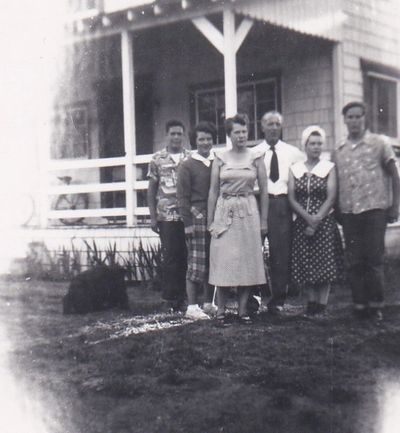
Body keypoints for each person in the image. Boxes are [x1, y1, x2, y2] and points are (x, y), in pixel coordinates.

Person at [333, 101, 399, 321]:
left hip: (374, 211)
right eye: (349, 117)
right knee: (354, 261)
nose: (353, 121)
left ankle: (376, 305)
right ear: (344, 120)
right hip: (350, 213)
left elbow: (394, 175)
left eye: (357, 117)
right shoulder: (339, 150)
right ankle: (359, 305)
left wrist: (395, 205)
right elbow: (336, 184)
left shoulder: (379, 143)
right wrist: (337, 210)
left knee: (373, 260)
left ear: (365, 118)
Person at [208, 114, 269, 324]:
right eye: (237, 132)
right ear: (229, 134)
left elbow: (264, 191)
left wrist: (264, 222)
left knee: (247, 261)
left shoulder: (256, 157)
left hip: (248, 210)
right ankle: (221, 310)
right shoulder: (220, 158)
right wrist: (210, 221)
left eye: (244, 131)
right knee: (223, 260)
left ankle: (243, 311)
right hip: (224, 210)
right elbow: (213, 191)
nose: (241, 135)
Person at [288, 126, 344, 317]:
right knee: (306, 262)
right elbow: (292, 198)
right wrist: (308, 219)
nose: (316, 147)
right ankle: (311, 304)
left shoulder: (328, 167)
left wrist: (317, 220)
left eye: (319, 143)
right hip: (302, 221)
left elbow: (331, 197)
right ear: (305, 145)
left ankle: (322, 305)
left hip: (324, 221)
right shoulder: (295, 169)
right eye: (312, 143)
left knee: (324, 263)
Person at [253, 111, 304, 314]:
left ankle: (277, 300)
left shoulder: (293, 152)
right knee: (253, 252)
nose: (273, 128)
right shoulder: (254, 152)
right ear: (262, 127)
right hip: (257, 203)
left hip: (281, 204)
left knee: (280, 254)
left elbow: (301, 180)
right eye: (269, 124)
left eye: (277, 124)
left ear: (281, 127)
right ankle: (253, 299)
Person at [147, 120, 191, 311]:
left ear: (184, 135)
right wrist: (152, 216)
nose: (176, 137)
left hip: (187, 215)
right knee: (170, 256)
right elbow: (151, 190)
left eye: (179, 134)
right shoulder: (157, 159)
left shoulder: (190, 157)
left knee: (186, 256)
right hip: (166, 215)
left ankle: (184, 298)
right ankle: (169, 298)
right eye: (172, 133)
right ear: (167, 135)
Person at [177, 121, 217, 320]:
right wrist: (188, 223)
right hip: (197, 217)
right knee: (196, 263)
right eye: (201, 139)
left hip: (215, 216)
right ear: (195, 141)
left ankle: (208, 303)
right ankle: (192, 306)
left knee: (212, 261)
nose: (205, 142)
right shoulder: (187, 165)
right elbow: (182, 197)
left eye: (209, 139)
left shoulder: (217, 161)